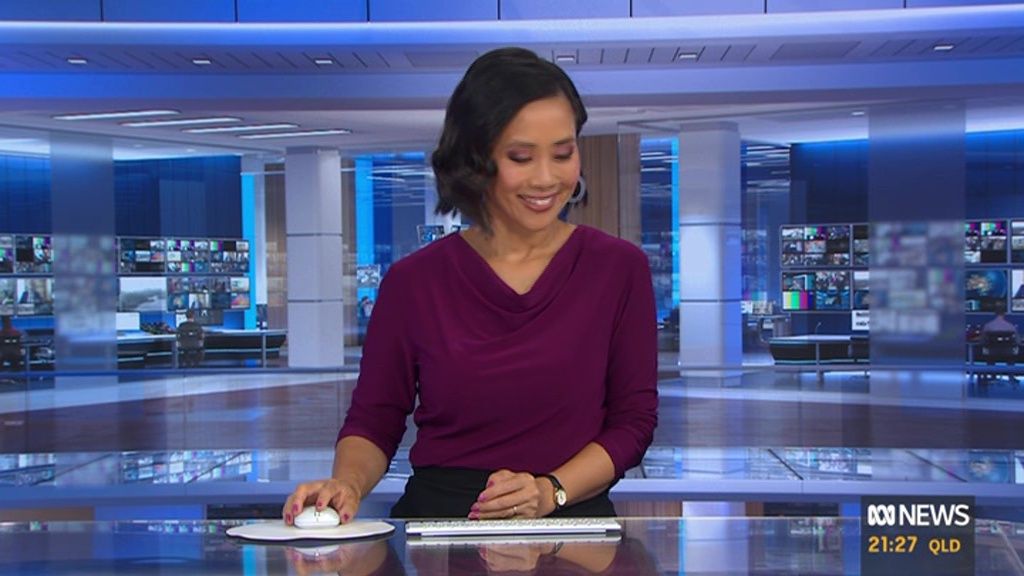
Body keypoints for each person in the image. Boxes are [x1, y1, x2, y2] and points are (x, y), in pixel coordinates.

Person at [283, 47, 658, 524]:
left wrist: (550, 492)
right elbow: (374, 419)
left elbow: (632, 423)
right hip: (440, 525)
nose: (547, 178)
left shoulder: (618, 268)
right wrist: (348, 484)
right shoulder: (413, 282)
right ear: (476, 160)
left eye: (563, 153)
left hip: (571, 522)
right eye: (521, 157)